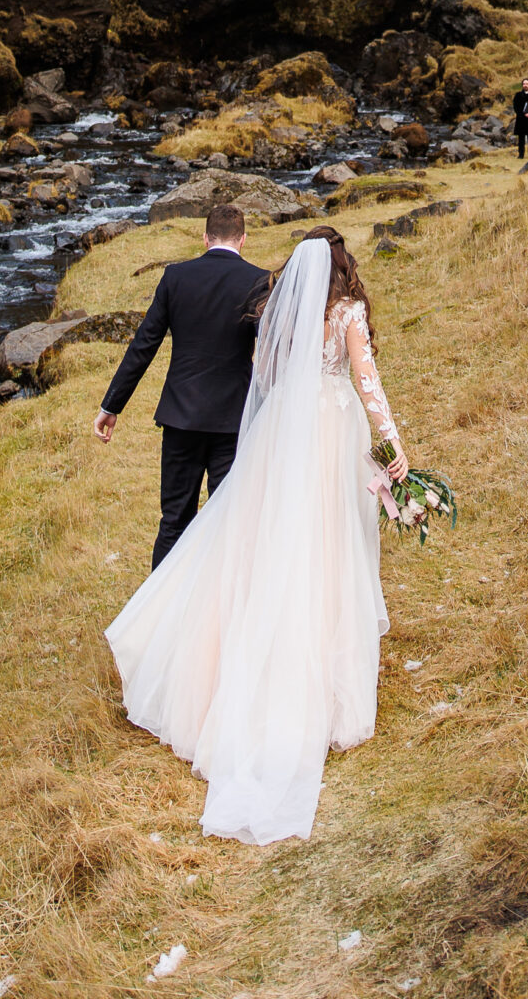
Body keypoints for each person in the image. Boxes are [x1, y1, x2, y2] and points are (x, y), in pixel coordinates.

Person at [103, 225, 408, 844]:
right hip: (328, 430)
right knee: (327, 544)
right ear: (343, 268)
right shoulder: (347, 311)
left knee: (260, 535)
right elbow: (367, 381)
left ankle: (225, 654)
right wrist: (392, 442)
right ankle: (318, 678)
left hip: (278, 433)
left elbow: (258, 369)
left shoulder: (280, 310)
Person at [93, 202, 270, 569]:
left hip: (181, 418)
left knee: (173, 520)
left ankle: (160, 617)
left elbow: (144, 346)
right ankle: (222, 612)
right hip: (232, 421)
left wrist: (112, 406)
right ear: (243, 239)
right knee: (230, 520)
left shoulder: (175, 277)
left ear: (205, 238)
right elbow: (271, 352)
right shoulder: (259, 280)